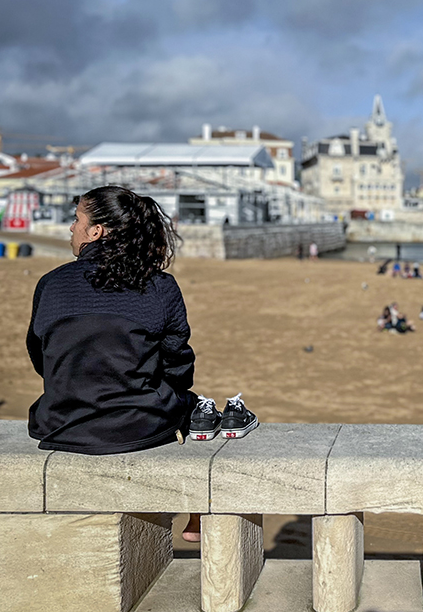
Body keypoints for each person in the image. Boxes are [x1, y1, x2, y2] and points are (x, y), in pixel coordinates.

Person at [26, 186, 259, 541]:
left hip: (61, 423)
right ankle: (198, 513)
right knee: (201, 411)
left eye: (76, 220)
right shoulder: (160, 286)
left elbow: (40, 356)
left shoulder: (52, 283)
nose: (71, 228)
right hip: (137, 425)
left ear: (96, 231)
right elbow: (178, 367)